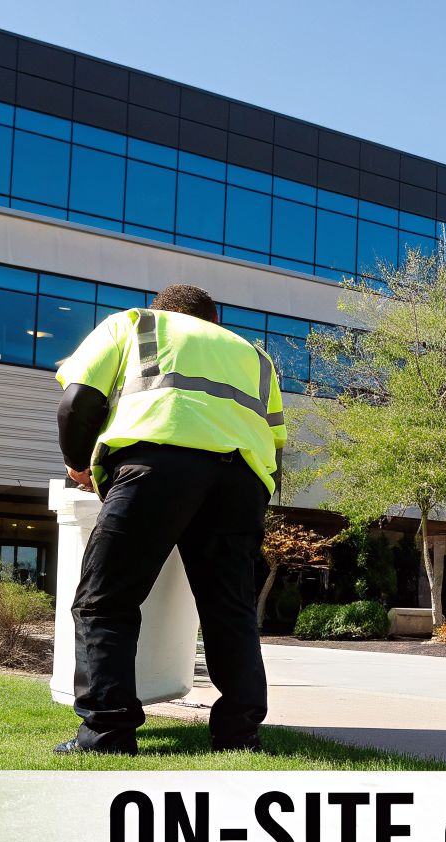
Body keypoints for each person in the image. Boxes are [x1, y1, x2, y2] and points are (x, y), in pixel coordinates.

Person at [53, 284, 285, 755]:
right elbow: (276, 441)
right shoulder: (255, 356)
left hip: (158, 464)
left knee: (105, 601)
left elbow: (78, 401)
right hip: (242, 481)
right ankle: (239, 736)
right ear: (213, 320)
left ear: (166, 309)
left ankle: (107, 733)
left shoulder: (136, 323)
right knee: (231, 610)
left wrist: (80, 462)